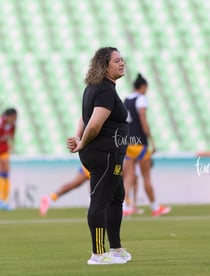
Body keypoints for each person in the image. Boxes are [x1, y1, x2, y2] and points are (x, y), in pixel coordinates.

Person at [66, 47, 131, 265]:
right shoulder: (104, 90)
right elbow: (94, 123)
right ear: (104, 65)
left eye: (122, 59)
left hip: (106, 153)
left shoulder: (95, 88)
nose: (122, 63)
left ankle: (116, 248)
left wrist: (77, 137)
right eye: (116, 61)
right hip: (105, 154)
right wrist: (82, 141)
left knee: (116, 197)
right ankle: (98, 253)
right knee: (100, 200)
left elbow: (84, 118)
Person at [123, 74, 171, 217]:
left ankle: (124, 206)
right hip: (140, 144)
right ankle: (155, 207)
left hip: (128, 143)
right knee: (146, 177)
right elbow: (143, 121)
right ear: (143, 87)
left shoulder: (126, 100)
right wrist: (152, 141)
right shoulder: (141, 99)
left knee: (128, 177)